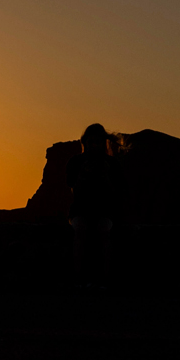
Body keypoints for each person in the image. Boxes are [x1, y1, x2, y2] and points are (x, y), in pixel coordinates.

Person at [65, 123, 125, 290]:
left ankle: (104, 279)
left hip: (105, 211)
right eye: (90, 142)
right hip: (81, 210)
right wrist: (83, 175)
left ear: (103, 143)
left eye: (97, 142)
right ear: (84, 143)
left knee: (104, 230)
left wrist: (105, 176)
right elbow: (74, 191)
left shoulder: (112, 164)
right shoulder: (76, 162)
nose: (93, 146)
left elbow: (116, 192)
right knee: (80, 230)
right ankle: (79, 278)